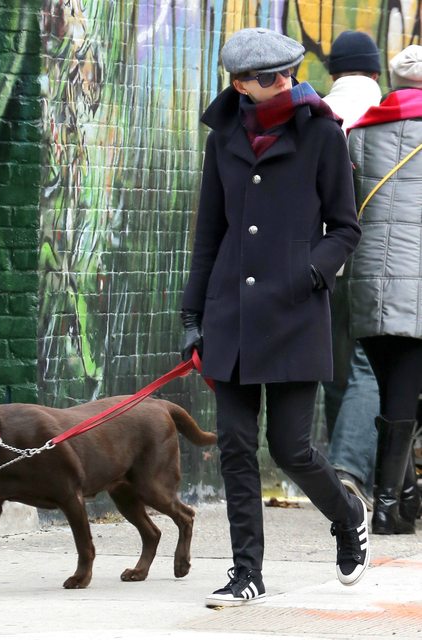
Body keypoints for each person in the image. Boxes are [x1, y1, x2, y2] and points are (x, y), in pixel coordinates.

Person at [180, 27, 369, 608]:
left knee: (290, 449)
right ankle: (247, 573)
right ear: (242, 85)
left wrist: (309, 272)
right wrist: (192, 316)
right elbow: (209, 234)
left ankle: (348, 516)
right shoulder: (223, 139)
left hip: (294, 315)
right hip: (231, 317)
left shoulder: (322, 133)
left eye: (288, 71)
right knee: (235, 447)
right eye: (269, 76)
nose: (284, 82)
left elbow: (345, 228)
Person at [345, 44, 422, 535]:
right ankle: (388, 507)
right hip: (417, 286)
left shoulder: (358, 134)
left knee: (396, 389)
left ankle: (406, 497)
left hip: (366, 281)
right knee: (403, 394)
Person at [320, 31, 383, 508]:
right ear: (376, 72)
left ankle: (339, 473)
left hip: (321, 260)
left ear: (333, 71)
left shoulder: (315, 116)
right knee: (373, 366)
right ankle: (351, 470)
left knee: (336, 369)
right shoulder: (389, 119)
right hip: (378, 260)